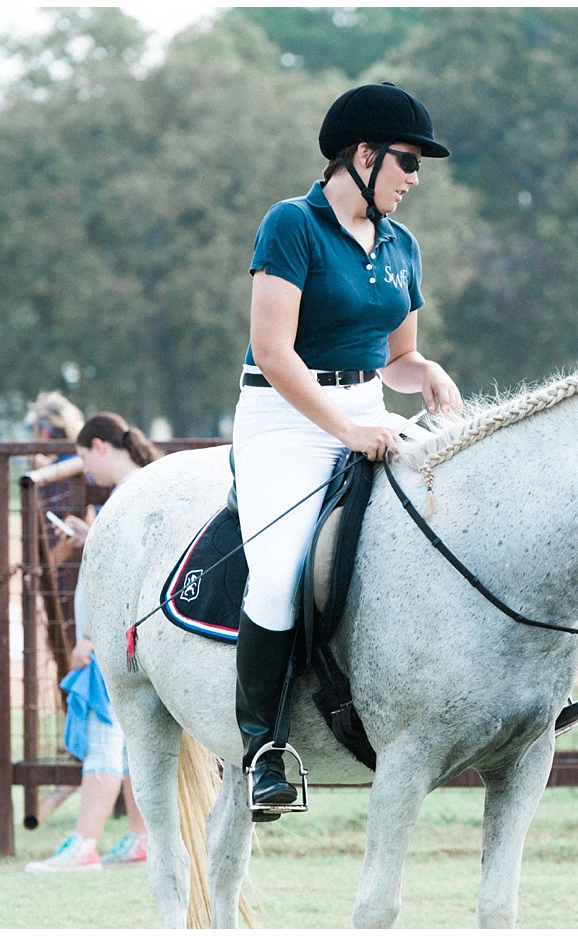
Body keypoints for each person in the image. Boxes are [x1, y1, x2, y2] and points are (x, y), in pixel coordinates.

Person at [231, 81, 464, 816]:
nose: (414, 178)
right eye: (406, 161)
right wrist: (346, 430)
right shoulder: (290, 225)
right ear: (362, 155)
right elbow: (274, 352)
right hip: (284, 420)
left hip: (368, 406)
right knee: (276, 576)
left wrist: (422, 370)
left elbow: (397, 358)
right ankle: (263, 751)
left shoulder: (401, 244)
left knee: (452, 529)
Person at [25, 413, 163, 872]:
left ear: (100, 446)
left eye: (85, 460)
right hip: (132, 641)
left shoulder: (128, 498)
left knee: (105, 736)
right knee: (129, 742)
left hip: (113, 641)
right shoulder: (143, 489)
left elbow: (120, 578)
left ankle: (84, 843)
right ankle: (140, 837)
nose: (86, 473)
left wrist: (89, 638)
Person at [25, 391, 85, 470]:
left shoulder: (70, 461)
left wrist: (46, 468)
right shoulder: (83, 456)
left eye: (35, 431)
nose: (34, 438)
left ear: (45, 433)